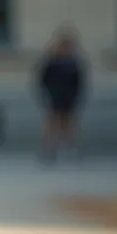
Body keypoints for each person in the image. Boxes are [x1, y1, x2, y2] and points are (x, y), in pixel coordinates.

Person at [36, 25, 86, 163]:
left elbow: (79, 82)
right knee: (53, 124)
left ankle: (70, 150)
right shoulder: (52, 62)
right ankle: (49, 150)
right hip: (55, 97)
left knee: (69, 125)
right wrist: (49, 94)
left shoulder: (73, 63)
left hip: (69, 98)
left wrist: (76, 96)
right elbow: (43, 80)